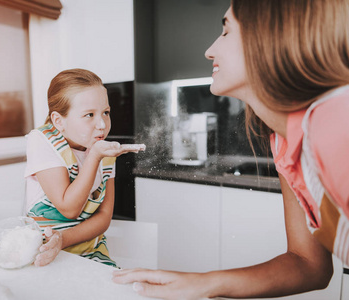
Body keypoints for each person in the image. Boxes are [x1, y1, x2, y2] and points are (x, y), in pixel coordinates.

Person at [112, 0, 349, 298]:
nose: (209, 50)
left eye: (226, 32)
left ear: (270, 37)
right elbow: (308, 264)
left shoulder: (336, 124)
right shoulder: (283, 140)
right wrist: (202, 284)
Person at [24, 68, 145, 268]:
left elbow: (104, 218)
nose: (101, 124)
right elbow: (69, 208)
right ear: (58, 121)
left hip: (91, 251)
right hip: (42, 252)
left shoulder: (102, 151)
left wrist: (98, 154)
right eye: (89, 115)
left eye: (105, 112)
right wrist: (95, 157)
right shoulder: (42, 141)